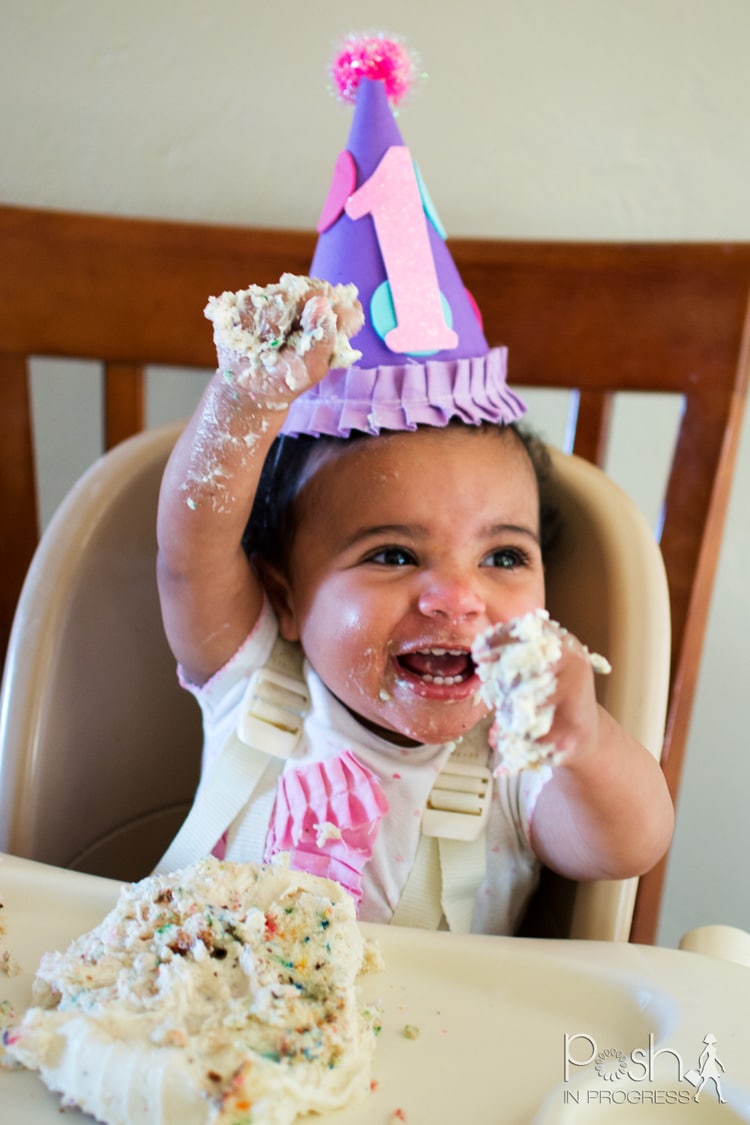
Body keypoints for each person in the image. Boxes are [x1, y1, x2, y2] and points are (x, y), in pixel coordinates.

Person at [155, 34, 674, 934]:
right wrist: (247, 397)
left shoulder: (512, 756)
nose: (456, 597)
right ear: (285, 595)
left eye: (503, 556)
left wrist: (581, 740)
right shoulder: (255, 682)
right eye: (394, 553)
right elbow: (191, 543)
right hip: (210, 1011)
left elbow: (630, 843)